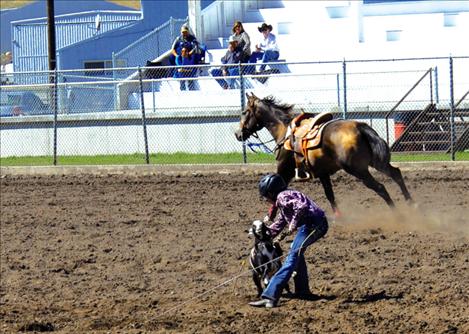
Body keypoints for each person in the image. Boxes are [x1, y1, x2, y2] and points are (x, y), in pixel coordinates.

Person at [249, 173, 329, 308]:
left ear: (270, 192)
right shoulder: (286, 196)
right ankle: (302, 290)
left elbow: (301, 207)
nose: (266, 199)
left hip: (314, 225)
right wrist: (265, 235)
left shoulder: (282, 197)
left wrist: (293, 223)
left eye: (266, 196)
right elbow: (280, 222)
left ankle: (270, 297)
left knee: (292, 257)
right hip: (312, 225)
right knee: (296, 254)